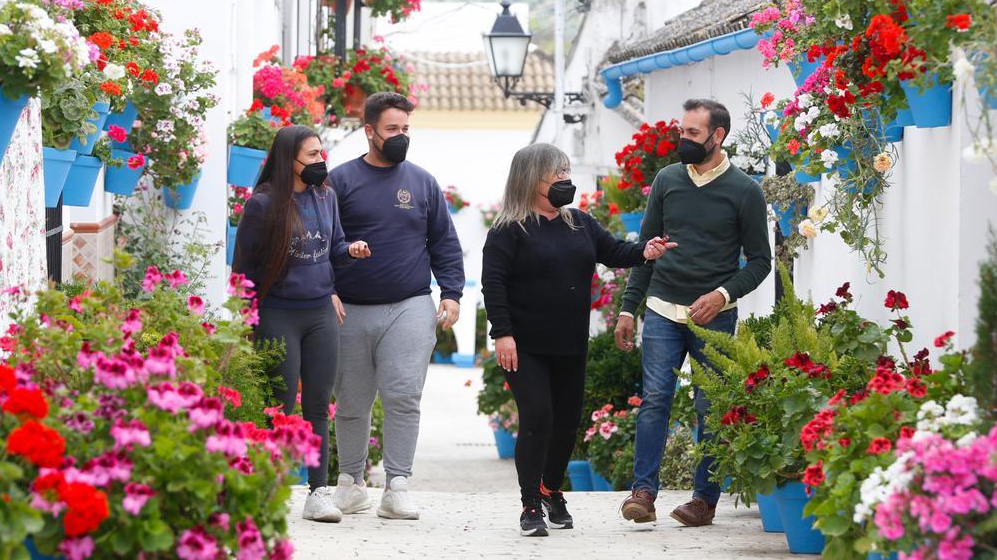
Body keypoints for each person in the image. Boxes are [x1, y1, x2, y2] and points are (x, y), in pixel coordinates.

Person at [481, 143, 676, 537]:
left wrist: (646, 251)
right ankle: (529, 504)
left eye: (566, 171)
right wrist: (502, 334)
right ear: (529, 179)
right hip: (523, 345)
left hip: (570, 343)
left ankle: (551, 490)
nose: (564, 180)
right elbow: (493, 284)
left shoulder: (580, 223)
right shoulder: (508, 231)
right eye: (555, 174)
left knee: (567, 424)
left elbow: (615, 251)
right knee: (538, 418)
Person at [616, 99, 773, 527]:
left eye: (691, 133)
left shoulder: (745, 191)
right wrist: (629, 309)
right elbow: (646, 250)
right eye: (681, 131)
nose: (681, 139)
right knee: (654, 401)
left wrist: (722, 295)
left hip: (715, 316)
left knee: (711, 407)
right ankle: (643, 493)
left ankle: (704, 500)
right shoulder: (666, 180)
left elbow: (761, 261)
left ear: (717, 136)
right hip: (663, 309)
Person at [328, 91, 465, 520]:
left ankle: (398, 485)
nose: (401, 136)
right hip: (348, 308)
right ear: (369, 131)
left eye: (406, 128)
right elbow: (321, 240)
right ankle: (350, 483)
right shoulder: (339, 181)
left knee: (404, 395)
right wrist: (326, 287)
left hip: (409, 305)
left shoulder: (422, 182)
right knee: (351, 401)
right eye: (392, 129)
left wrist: (451, 293)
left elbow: (444, 241)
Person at [230, 124, 372, 523]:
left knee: (317, 408)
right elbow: (243, 268)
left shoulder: (326, 197)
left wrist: (352, 250)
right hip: (278, 314)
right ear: (288, 160)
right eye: (311, 155)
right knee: (279, 404)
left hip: (320, 314)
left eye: (321, 153)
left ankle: (318, 492)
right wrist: (246, 318)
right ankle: (268, 490)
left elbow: (335, 247)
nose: (320, 161)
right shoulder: (262, 205)